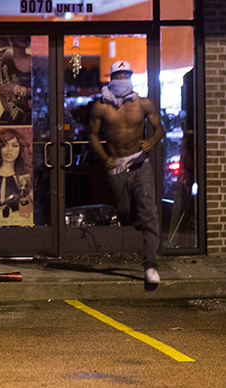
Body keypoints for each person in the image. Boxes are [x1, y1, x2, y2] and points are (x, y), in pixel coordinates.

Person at [89, 60, 165, 291]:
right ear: (111, 79)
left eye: (126, 75)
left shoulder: (143, 104)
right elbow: (92, 135)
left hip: (140, 163)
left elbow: (159, 128)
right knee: (125, 213)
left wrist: (152, 140)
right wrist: (104, 157)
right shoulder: (101, 107)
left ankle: (151, 265)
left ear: (131, 77)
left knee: (148, 211)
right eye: (118, 76)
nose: (122, 80)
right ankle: (140, 223)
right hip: (115, 167)